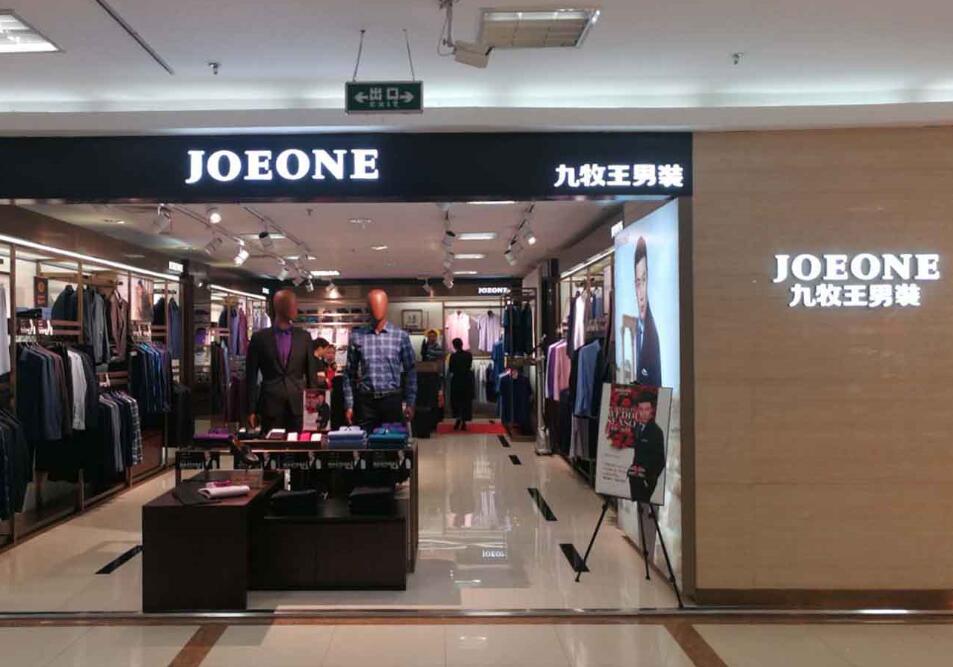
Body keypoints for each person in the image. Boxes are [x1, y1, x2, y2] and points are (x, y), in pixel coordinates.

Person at [343, 289, 417, 431]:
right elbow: (349, 374)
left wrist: (410, 402)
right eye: (373, 304)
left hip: (392, 400)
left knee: (393, 442)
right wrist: (349, 404)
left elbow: (410, 371)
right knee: (365, 442)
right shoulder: (357, 336)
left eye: (380, 304)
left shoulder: (400, 336)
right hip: (366, 402)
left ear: (386, 306)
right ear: (368, 307)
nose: (377, 308)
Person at [246, 289, 317, 434]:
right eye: (293, 304)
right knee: (272, 446)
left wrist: (314, 408)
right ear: (280, 307)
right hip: (270, 405)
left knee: (298, 445)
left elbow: (311, 375)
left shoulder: (304, 337)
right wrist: (250, 409)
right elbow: (251, 376)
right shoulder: (260, 338)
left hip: (298, 405)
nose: (296, 308)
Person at [627, 391, 666, 503]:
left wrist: (649, 479)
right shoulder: (636, 427)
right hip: (635, 478)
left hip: (647, 481)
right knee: (638, 506)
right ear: (637, 410)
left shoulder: (657, 432)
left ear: (651, 410)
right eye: (641, 409)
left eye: (647, 409)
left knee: (645, 506)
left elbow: (661, 460)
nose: (644, 413)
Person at [634, 236, 662, 387]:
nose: (641, 294)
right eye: (638, 283)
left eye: (644, 281)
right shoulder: (636, 328)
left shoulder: (653, 336)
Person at [448, 337, 474, 431]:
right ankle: (464, 421)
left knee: (457, 400)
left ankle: (458, 419)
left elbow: (451, 369)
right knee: (465, 401)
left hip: (457, 380)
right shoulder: (468, 355)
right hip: (466, 380)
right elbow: (469, 366)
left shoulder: (453, 356)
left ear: (454, 346)